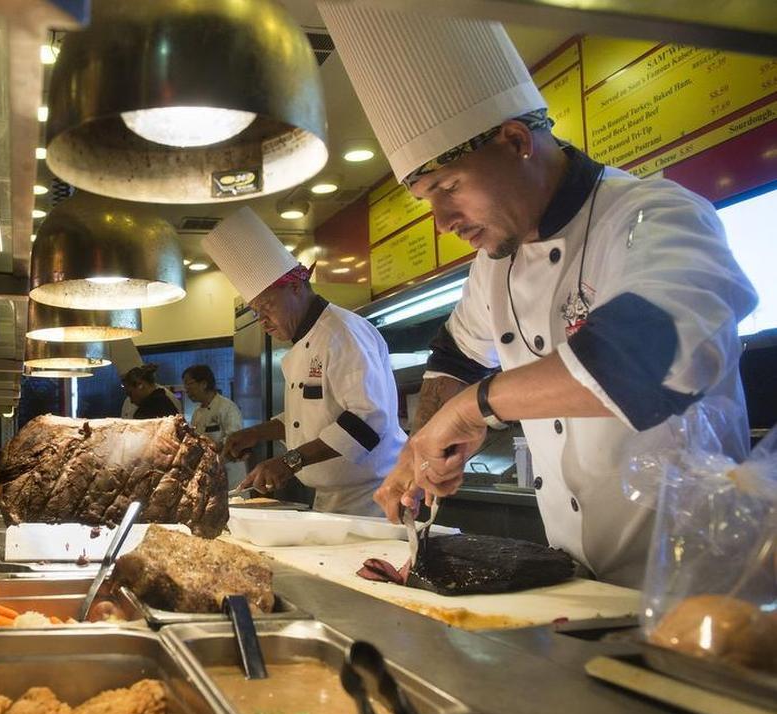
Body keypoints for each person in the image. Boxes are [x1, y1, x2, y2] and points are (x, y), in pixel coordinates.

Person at [320, 6, 758, 586]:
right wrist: (421, 451)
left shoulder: (657, 216)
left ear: (515, 141)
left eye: (449, 188)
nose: (443, 221)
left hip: (699, 584)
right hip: (579, 584)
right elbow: (455, 355)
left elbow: (652, 358)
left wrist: (471, 407)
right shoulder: (493, 266)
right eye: (426, 199)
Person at [205, 207, 405, 517]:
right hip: (331, 500)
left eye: (267, 306)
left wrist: (290, 461)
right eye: (256, 312)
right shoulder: (300, 346)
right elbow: (307, 418)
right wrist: (254, 434)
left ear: (296, 287)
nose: (263, 321)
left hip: (373, 500)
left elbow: (367, 421)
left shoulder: (343, 333)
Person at [182, 364, 246, 488]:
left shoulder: (227, 407)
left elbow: (235, 437)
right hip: (209, 472)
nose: (186, 390)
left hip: (229, 471)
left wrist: (211, 447)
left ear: (204, 384)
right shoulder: (197, 412)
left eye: (189, 384)